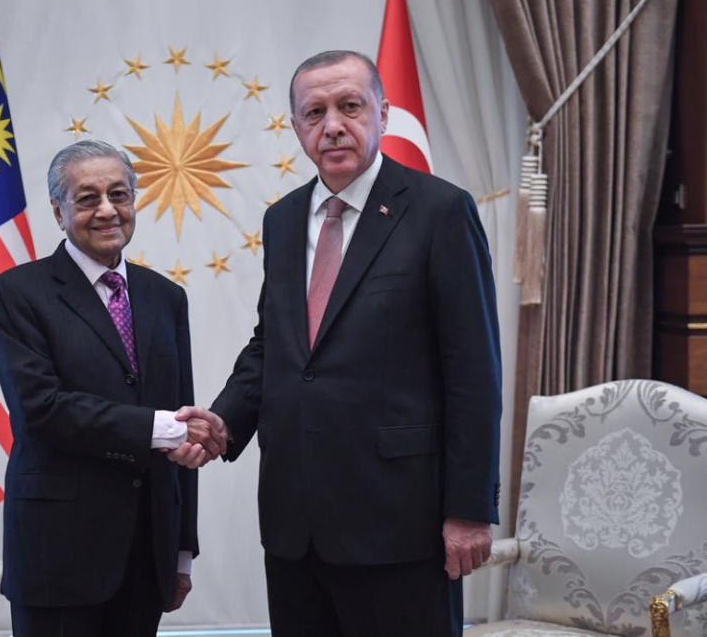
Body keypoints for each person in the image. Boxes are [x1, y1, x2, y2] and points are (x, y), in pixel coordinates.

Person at [180, 50, 502, 636]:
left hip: (401, 521)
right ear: (297, 126)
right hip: (295, 522)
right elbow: (274, 346)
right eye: (314, 112)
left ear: (382, 111)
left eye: (349, 107)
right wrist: (225, 420)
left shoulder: (439, 211)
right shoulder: (282, 220)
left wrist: (470, 510)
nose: (332, 125)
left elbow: (474, 372)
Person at [0, 140, 225, 637]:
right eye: (87, 198)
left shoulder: (165, 297)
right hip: (59, 557)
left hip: (147, 554)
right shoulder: (18, 293)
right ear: (58, 210)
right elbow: (41, 410)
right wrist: (160, 427)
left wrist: (181, 551)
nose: (106, 211)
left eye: (119, 195)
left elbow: (181, 429)